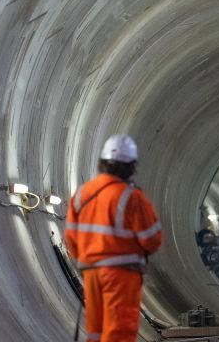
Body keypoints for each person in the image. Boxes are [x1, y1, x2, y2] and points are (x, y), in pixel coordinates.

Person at [65, 134, 163, 342]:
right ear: (130, 166)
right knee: (119, 331)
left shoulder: (82, 193)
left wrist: (84, 262)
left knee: (96, 331)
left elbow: (71, 237)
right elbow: (152, 239)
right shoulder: (131, 197)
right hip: (120, 276)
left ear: (102, 162)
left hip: (90, 274)